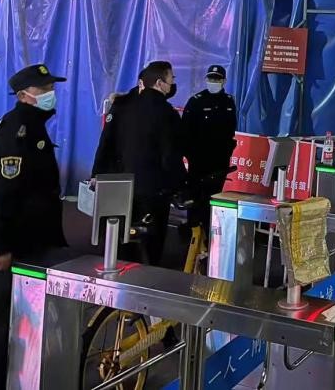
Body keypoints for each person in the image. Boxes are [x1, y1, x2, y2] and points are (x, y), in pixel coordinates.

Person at [0, 64, 68, 390]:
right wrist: (1, 247)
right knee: (7, 327)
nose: (50, 94)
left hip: (36, 242)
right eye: (43, 90)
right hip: (17, 247)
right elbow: (1, 193)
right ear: (23, 95)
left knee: (31, 321)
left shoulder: (34, 127)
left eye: (50, 88)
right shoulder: (15, 131)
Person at [90, 60, 184, 266]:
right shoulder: (167, 113)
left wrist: (96, 174)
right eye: (171, 79)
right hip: (153, 189)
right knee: (151, 241)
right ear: (159, 83)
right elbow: (170, 155)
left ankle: (118, 270)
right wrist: (179, 186)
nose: (173, 83)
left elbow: (105, 143)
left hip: (119, 183)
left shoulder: (121, 105)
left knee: (120, 235)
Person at [180, 64, 238, 251]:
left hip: (219, 163)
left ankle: (211, 241)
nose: (214, 82)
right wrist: (192, 156)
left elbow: (230, 131)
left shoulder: (229, 102)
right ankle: (194, 239)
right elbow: (185, 133)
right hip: (199, 163)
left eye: (217, 79)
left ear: (224, 81)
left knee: (214, 200)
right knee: (196, 201)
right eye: (211, 78)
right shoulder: (196, 102)